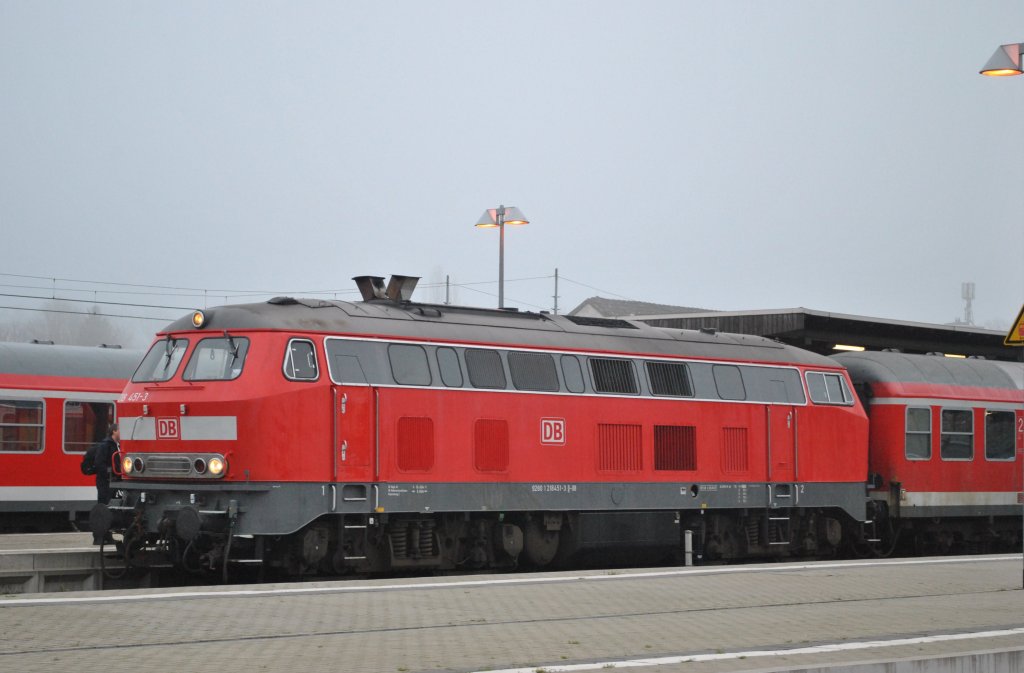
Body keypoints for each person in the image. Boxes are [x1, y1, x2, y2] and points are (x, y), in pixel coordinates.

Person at [93, 423, 119, 544]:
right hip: (105, 481)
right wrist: (110, 473)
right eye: (120, 431)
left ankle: (105, 536)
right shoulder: (106, 445)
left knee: (107, 508)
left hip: (109, 481)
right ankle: (99, 537)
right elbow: (99, 463)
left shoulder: (113, 445)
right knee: (103, 508)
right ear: (114, 431)